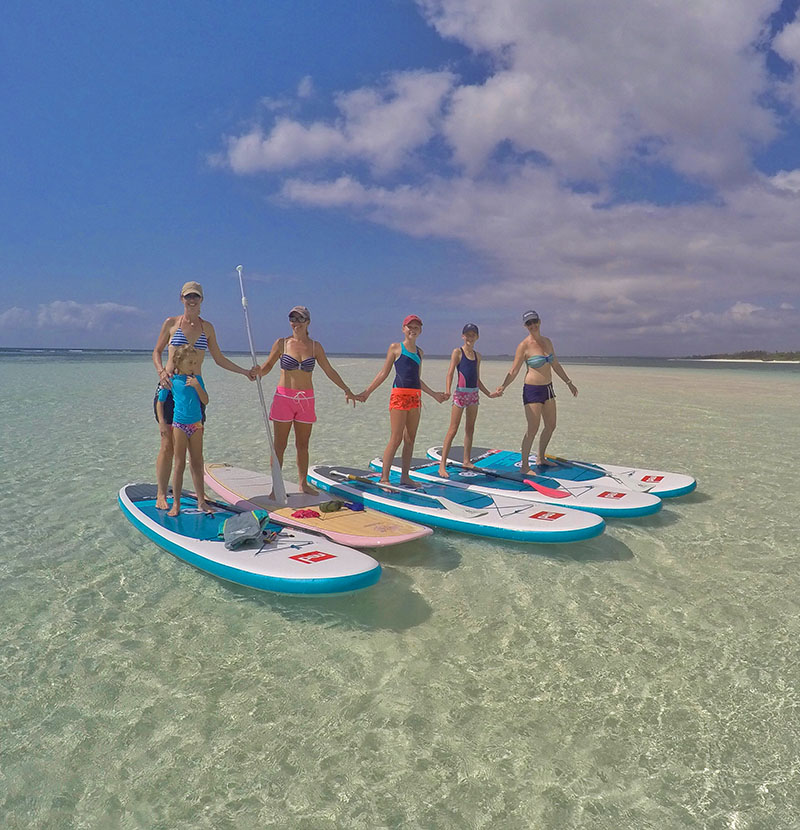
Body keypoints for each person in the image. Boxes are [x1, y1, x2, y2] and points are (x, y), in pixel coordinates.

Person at [152, 281, 255, 510]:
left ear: (202, 300)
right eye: (188, 296)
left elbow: (219, 358)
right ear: (181, 298)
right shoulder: (171, 323)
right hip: (171, 388)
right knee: (167, 444)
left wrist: (244, 372)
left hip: (195, 392)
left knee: (196, 450)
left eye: (195, 296)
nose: (192, 300)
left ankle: (200, 494)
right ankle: (161, 493)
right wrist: (161, 372)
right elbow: (156, 351)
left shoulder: (207, 328)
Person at [257, 306, 358, 494]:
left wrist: (346, 389)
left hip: (306, 401)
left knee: (303, 445)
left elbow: (329, 370)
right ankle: (276, 486)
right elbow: (268, 366)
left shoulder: (315, 347)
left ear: (308, 322)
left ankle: (303, 484)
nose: (296, 322)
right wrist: (257, 373)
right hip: (284, 398)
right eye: (292, 318)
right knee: (279, 445)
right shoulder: (281, 343)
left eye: (300, 318)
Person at [356, 314, 448, 487]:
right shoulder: (396, 348)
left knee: (410, 439)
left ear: (420, 331)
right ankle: (384, 478)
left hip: (415, 398)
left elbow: (417, 379)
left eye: (416, 327)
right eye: (409, 327)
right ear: (403, 329)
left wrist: (434, 394)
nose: (413, 330)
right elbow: (384, 373)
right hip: (399, 396)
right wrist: (368, 392)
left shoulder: (420, 352)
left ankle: (405, 477)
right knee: (396, 438)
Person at [494, 310, 577, 474]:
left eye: (534, 321)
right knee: (533, 428)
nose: (532, 325)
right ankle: (525, 466)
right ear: (525, 326)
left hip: (548, 388)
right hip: (532, 390)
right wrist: (503, 386)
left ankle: (541, 457)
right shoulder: (524, 345)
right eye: (529, 323)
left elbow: (555, 364)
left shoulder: (547, 342)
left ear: (539, 321)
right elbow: (514, 370)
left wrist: (569, 382)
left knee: (551, 425)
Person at [438, 323, 500, 477]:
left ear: (477, 337)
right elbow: (450, 373)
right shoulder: (457, 352)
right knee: (453, 429)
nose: (470, 337)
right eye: (467, 334)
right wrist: (448, 390)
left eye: (473, 335)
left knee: (470, 428)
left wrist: (489, 394)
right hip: (460, 394)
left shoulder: (478, 356)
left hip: (473, 395)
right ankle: (442, 465)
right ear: (463, 336)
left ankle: (466, 460)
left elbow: (477, 378)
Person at [156, 345, 211, 516]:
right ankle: (176, 504)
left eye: (195, 363)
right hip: (179, 426)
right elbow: (160, 402)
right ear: (178, 362)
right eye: (190, 363)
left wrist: (197, 386)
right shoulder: (172, 381)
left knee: (197, 462)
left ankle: (201, 501)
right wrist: (162, 423)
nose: (193, 366)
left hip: (196, 425)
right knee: (179, 464)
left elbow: (205, 400)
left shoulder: (197, 379)